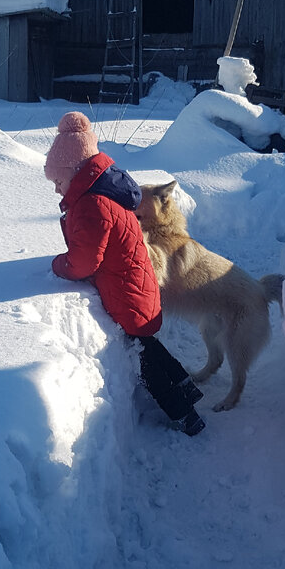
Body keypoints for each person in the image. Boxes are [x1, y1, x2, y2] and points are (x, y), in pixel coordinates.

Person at [44, 111, 205, 436]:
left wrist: (58, 264)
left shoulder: (92, 206)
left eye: (58, 182)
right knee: (149, 344)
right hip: (135, 286)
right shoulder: (104, 195)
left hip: (126, 295)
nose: (57, 190)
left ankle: (185, 414)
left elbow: (83, 262)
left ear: (75, 175)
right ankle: (186, 388)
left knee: (143, 358)